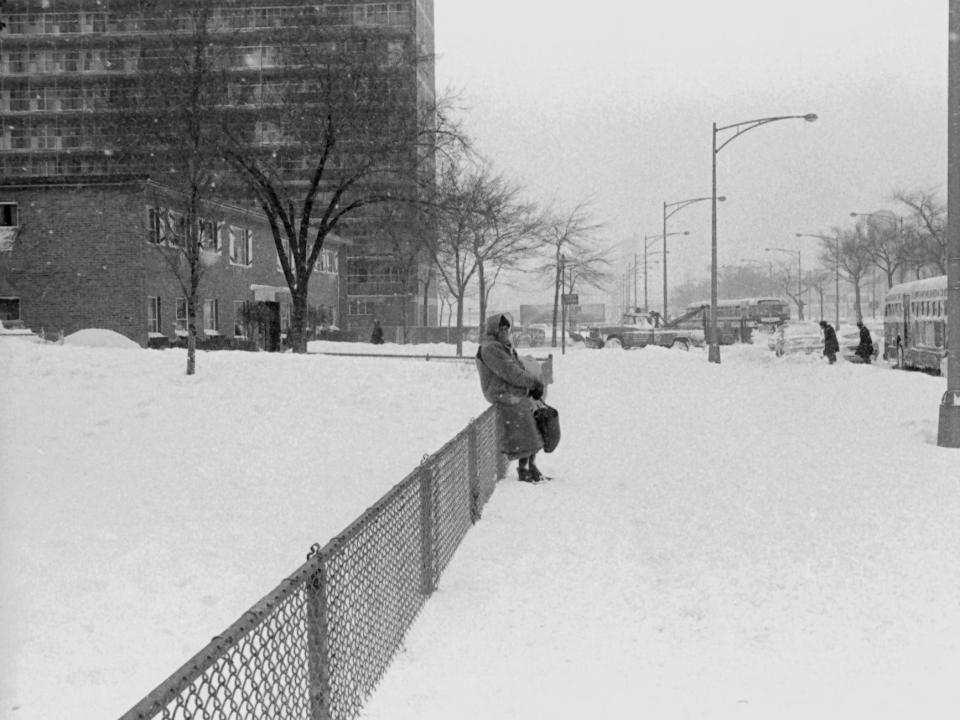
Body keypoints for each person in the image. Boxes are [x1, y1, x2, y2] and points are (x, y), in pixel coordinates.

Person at [475, 312, 547, 483]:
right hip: (502, 393)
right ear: (494, 329)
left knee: (533, 432)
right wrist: (533, 383)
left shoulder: (503, 345)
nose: (505, 331)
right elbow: (511, 372)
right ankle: (524, 471)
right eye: (502, 328)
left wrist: (531, 384)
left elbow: (518, 367)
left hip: (513, 392)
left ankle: (531, 468)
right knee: (527, 435)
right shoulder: (490, 348)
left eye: (507, 328)